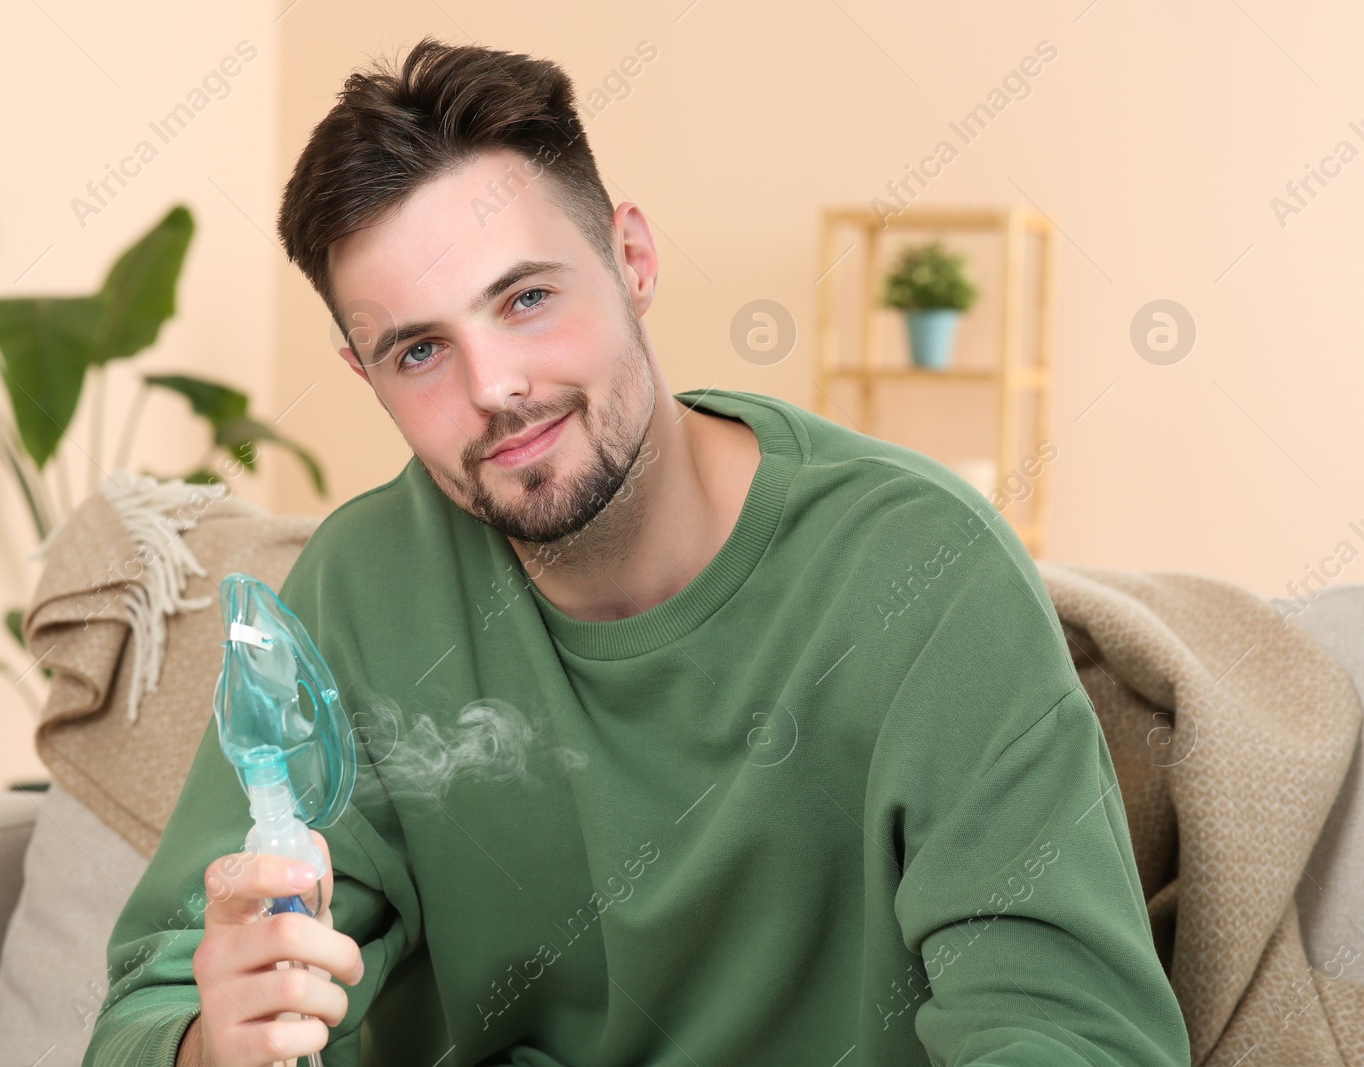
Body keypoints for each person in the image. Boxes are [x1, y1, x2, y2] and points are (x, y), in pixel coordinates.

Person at [83, 35, 1191, 1067]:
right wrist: (212, 1040)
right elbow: (151, 1006)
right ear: (365, 373)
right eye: (420, 349)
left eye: (525, 297)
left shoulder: (920, 571)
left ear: (632, 257)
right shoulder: (362, 590)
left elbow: (1070, 1031)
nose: (495, 388)